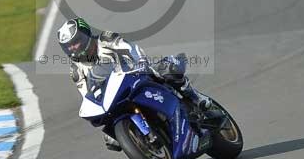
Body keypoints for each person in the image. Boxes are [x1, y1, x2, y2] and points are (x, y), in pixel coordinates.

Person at [56, 17, 211, 151]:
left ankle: (196, 98)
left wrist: (140, 62)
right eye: (68, 46)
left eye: (76, 42)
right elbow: (87, 95)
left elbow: (131, 49)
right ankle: (143, 141)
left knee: (168, 71)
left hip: (136, 73)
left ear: (87, 35)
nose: (73, 48)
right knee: (111, 139)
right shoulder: (76, 71)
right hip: (114, 95)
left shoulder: (106, 39)